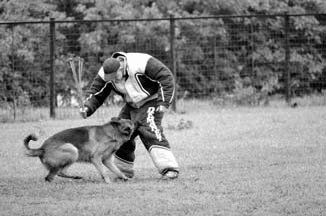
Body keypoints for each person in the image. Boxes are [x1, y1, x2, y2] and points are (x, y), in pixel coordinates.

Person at [80, 52, 179, 180]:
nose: (114, 80)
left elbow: (166, 77)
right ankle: (123, 171)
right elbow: (96, 93)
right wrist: (87, 107)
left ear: (121, 67)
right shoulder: (105, 73)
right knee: (119, 131)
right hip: (132, 104)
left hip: (152, 100)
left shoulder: (142, 62)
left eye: (116, 76)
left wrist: (164, 102)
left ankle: (169, 169)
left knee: (149, 128)